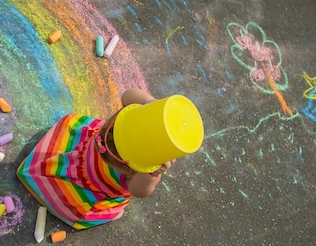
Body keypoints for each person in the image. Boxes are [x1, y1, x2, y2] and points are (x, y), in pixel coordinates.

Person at [16, 88, 203, 230]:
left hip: (83, 170)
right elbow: (140, 191)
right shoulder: (137, 166)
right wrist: (153, 172)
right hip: (85, 172)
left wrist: (150, 105)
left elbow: (128, 95)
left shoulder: (122, 142)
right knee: (113, 210)